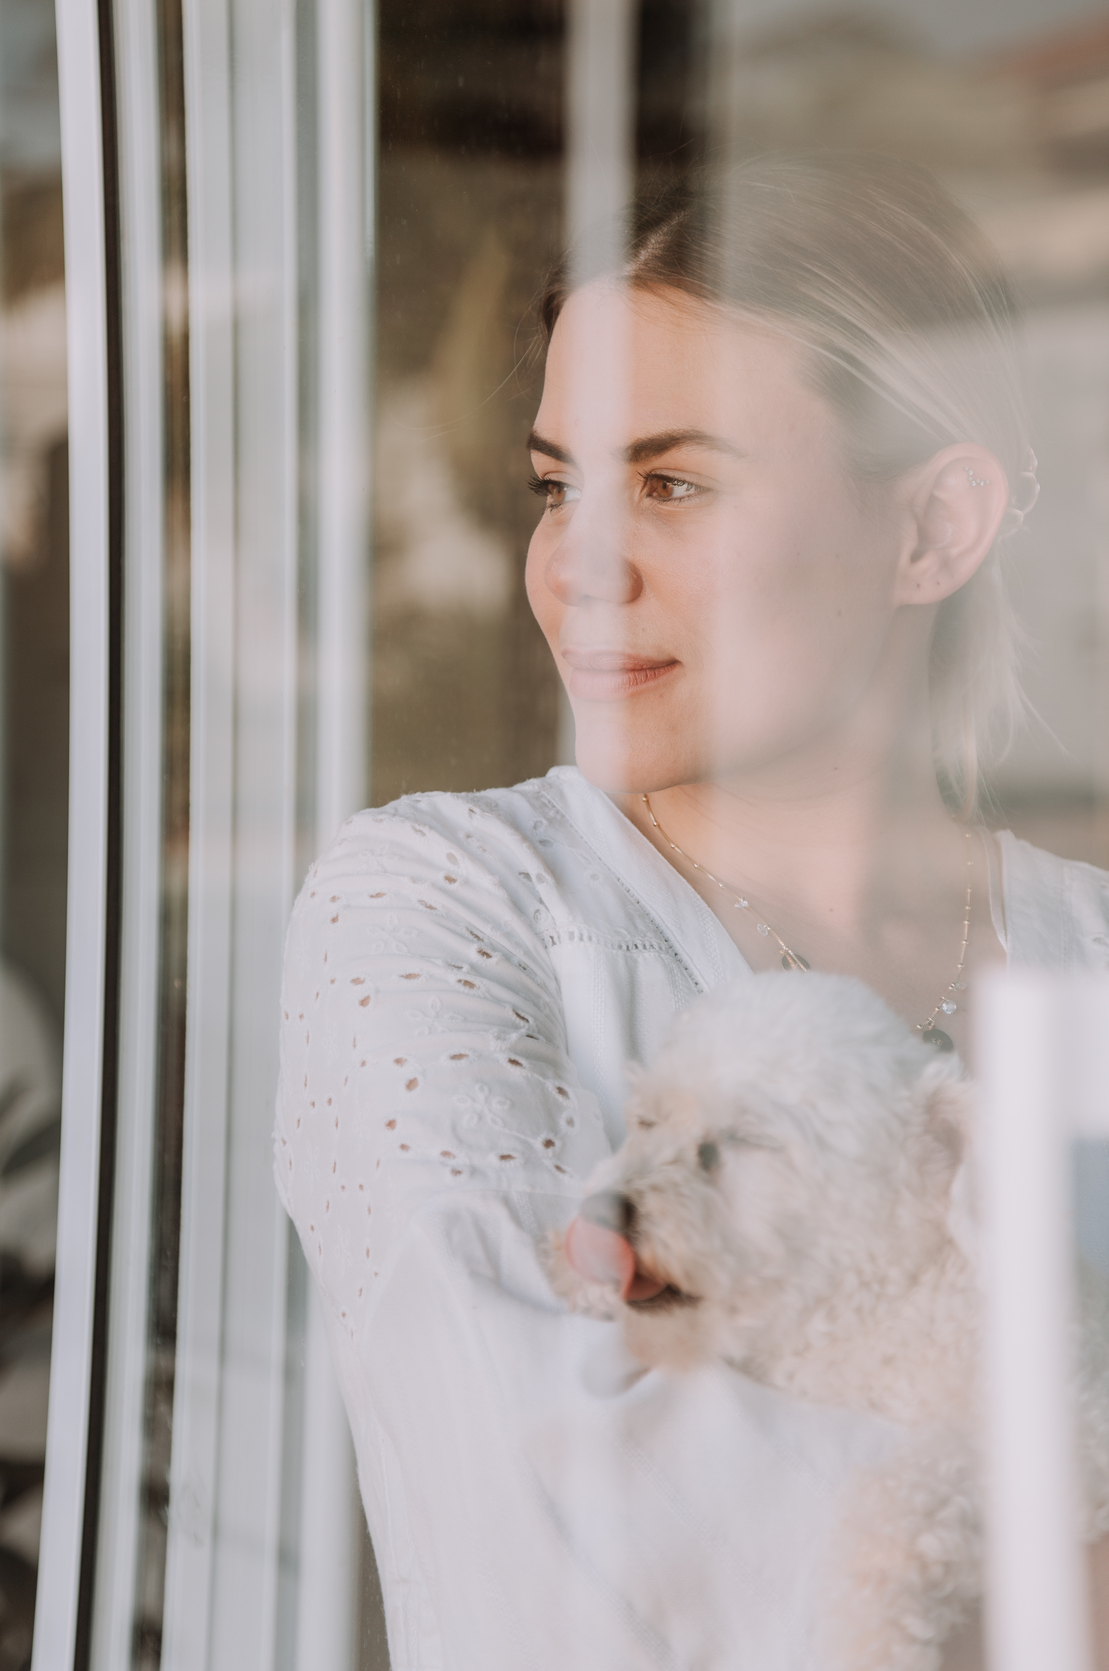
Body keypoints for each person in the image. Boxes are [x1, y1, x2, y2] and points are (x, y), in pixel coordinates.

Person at [275, 154, 1109, 1669]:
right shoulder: (451, 910)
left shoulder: (1096, 957)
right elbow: (550, 1490)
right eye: (555, 485)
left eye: (672, 482)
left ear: (933, 531)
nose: (574, 566)